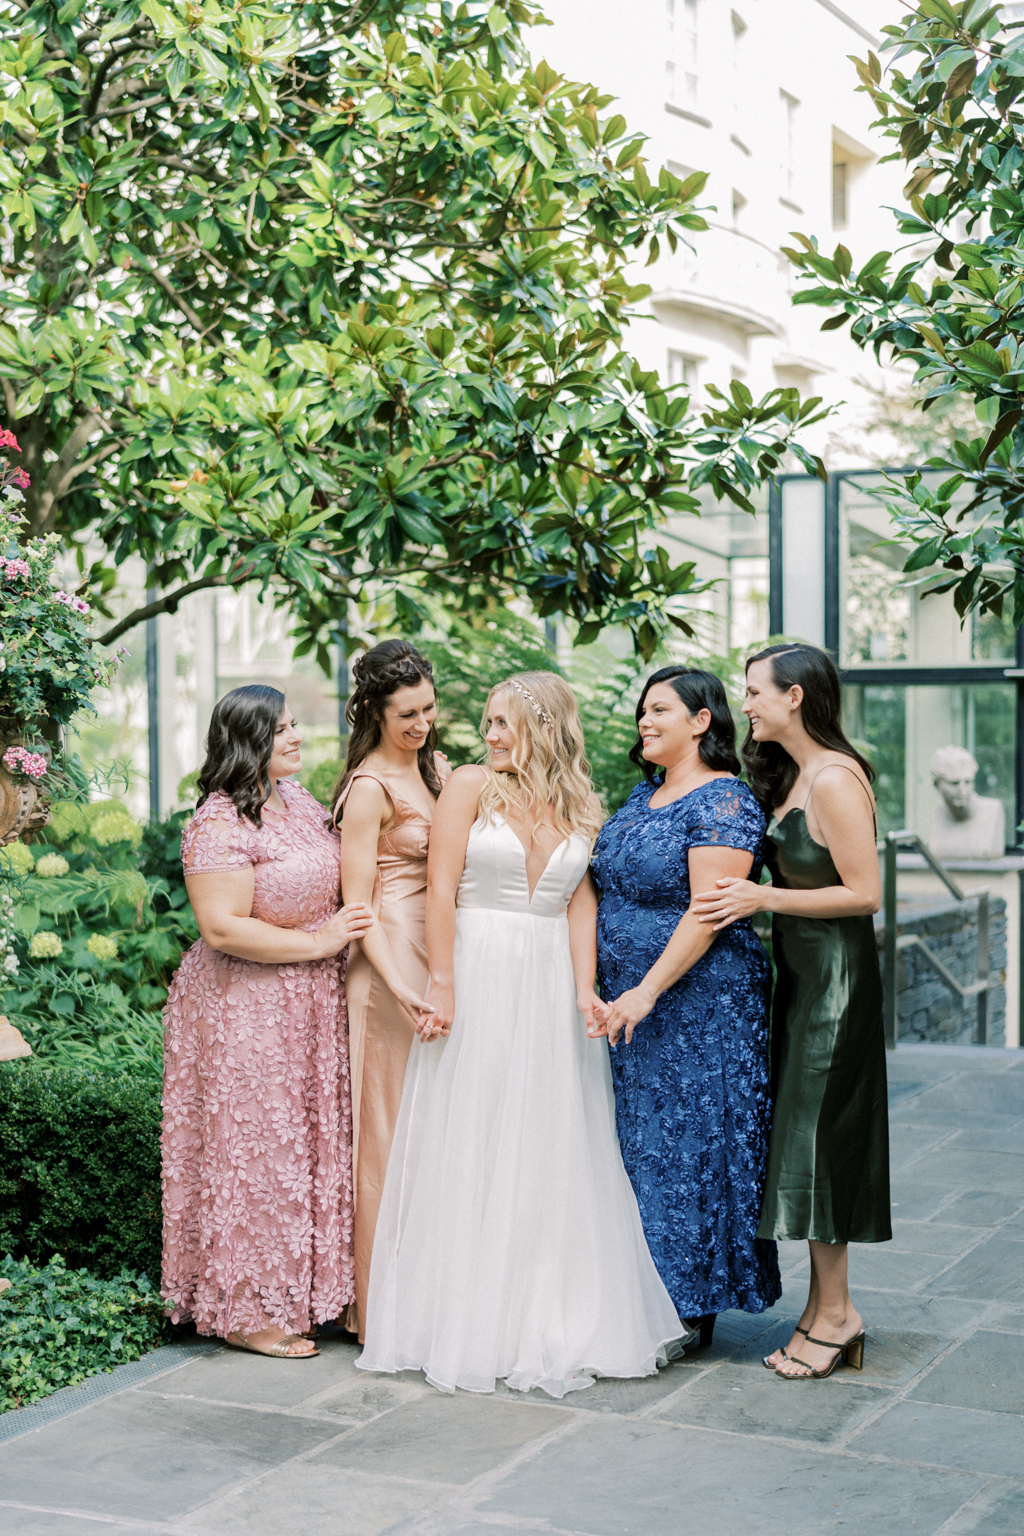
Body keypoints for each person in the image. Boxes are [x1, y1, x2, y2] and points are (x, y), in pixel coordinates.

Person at [358, 672, 685, 1396]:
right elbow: (440, 887)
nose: (490, 735)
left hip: (545, 985)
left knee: (549, 1138)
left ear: (543, 724)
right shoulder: (471, 785)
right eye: (488, 722)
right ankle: (464, 1317)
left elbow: (577, 905)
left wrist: (583, 991)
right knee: (472, 1130)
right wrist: (442, 981)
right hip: (477, 966)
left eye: (503, 723)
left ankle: (547, 1311)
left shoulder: (581, 801)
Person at [692, 642, 890, 1381]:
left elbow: (866, 894)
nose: (746, 703)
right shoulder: (797, 773)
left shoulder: (836, 778)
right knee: (802, 1142)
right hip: (803, 980)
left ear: (795, 696)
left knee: (816, 1145)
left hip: (836, 985)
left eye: (754, 691)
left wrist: (763, 897)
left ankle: (838, 1317)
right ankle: (822, 1307)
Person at [162, 685, 373, 1358]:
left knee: (304, 1150)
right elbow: (222, 928)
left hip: (309, 1003)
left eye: (293, 726)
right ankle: (248, 1310)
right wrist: (320, 942)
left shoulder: (302, 801)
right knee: (254, 1154)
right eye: (280, 730)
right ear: (246, 741)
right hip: (243, 1006)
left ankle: (308, 1292)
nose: (296, 737)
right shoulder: (218, 823)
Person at [591, 666, 781, 1348]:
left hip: (700, 1003)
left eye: (660, 710)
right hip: (628, 1008)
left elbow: (709, 910)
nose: (645, 721)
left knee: (690, 1144)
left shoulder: (724, 801)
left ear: (702, 721)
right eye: (642, 711)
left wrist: (646, 988)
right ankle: (637, 1289)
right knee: (637, 1143)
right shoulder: (643, 796)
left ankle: (686, 1305)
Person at [333, 640, 450, 1340]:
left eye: (429, 708)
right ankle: (381, 1307)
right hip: (387, 967)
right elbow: (358, 908)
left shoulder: (431, 768)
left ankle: (430, 1288)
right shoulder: (370, 788)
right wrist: (402, 987)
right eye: (407, 713)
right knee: (386, 1133)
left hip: (432, 952)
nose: (422, 722)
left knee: (432, 1127)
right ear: (374, 712)